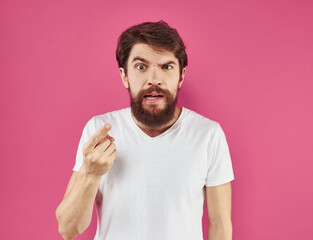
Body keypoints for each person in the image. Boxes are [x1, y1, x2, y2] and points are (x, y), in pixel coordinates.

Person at [55, 20, 235, 240]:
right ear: (124, 76)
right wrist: (90, 174)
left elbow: (220, 226)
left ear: (181, 76)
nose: (154, 79)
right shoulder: (98, 131)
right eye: (141, 67)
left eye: (166, 67)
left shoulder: (209, 134)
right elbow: (68, 229)